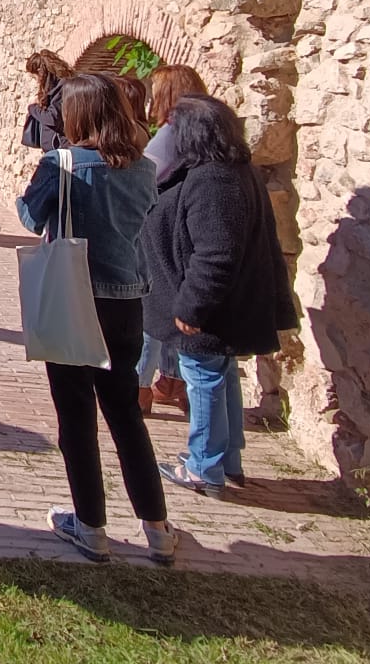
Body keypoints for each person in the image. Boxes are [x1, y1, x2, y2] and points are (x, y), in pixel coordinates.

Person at [16, 72, 177, 564]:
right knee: (126, 415)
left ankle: (91, 526)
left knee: (76, 417)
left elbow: (29, 217)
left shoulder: (61, 163)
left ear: (78, 114)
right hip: (126, 301)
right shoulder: (143, 169)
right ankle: (158, 528)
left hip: (73, 297)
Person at [143, 94, 298, 498]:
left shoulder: (214, 180)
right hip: (227, 306)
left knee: (205, 378)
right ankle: (227, 460)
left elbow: (216, 252)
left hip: (213, 308)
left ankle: (204, 467)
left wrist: (192, 305)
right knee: (220, 374)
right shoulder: (229, 171)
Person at [138, 63, 210, 415]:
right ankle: (171, 380)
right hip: (191, 228)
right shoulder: (207, 132)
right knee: (173, 302)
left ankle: (138, 385)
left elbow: (146, 178)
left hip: (164, 227)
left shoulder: (170, 133)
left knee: (152, 309)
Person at [23, 50, 74, 151]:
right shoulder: (53, 89)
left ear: (40, 73)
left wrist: (32, 108)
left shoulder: (62, 88)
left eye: (35, 77)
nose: (37, 81)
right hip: (54, 150)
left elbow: (52, 118)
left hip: (61, 150)